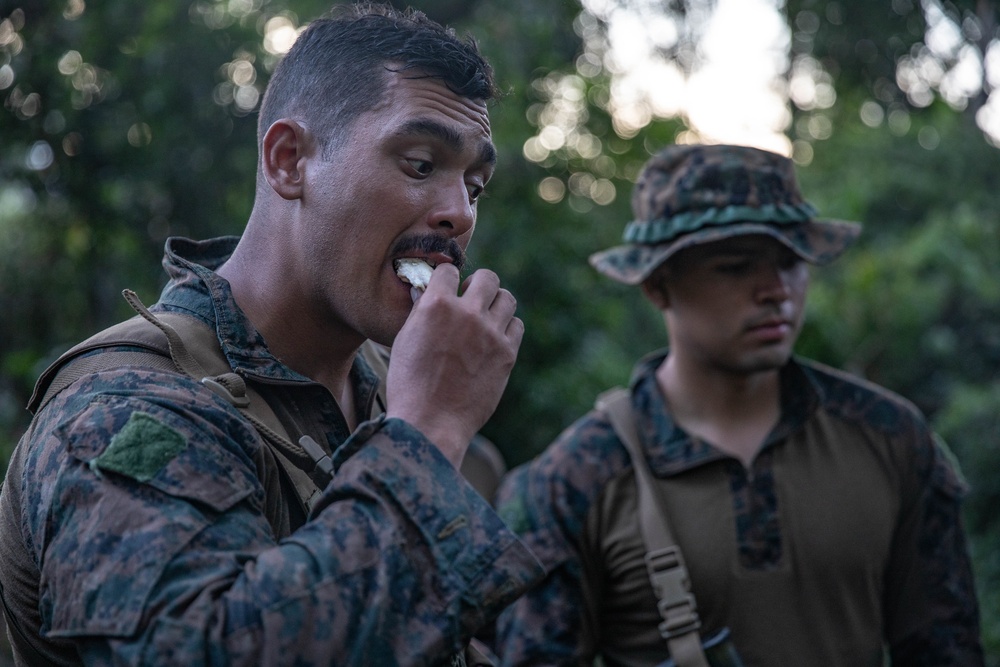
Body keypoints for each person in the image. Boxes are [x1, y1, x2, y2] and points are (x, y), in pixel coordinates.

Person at [0, 3, 544, 665]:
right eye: (421, 165)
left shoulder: (389, 389)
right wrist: (428, 437)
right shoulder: (124, 407)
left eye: (476, 185)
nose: (459, 212)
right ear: (289, 161)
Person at [492, 144, 985, 666]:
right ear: (659, 285)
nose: (777, 290)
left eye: (792, 261)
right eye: (736, 266)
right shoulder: (575, 478)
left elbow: (946, 649)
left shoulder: (890, 437)